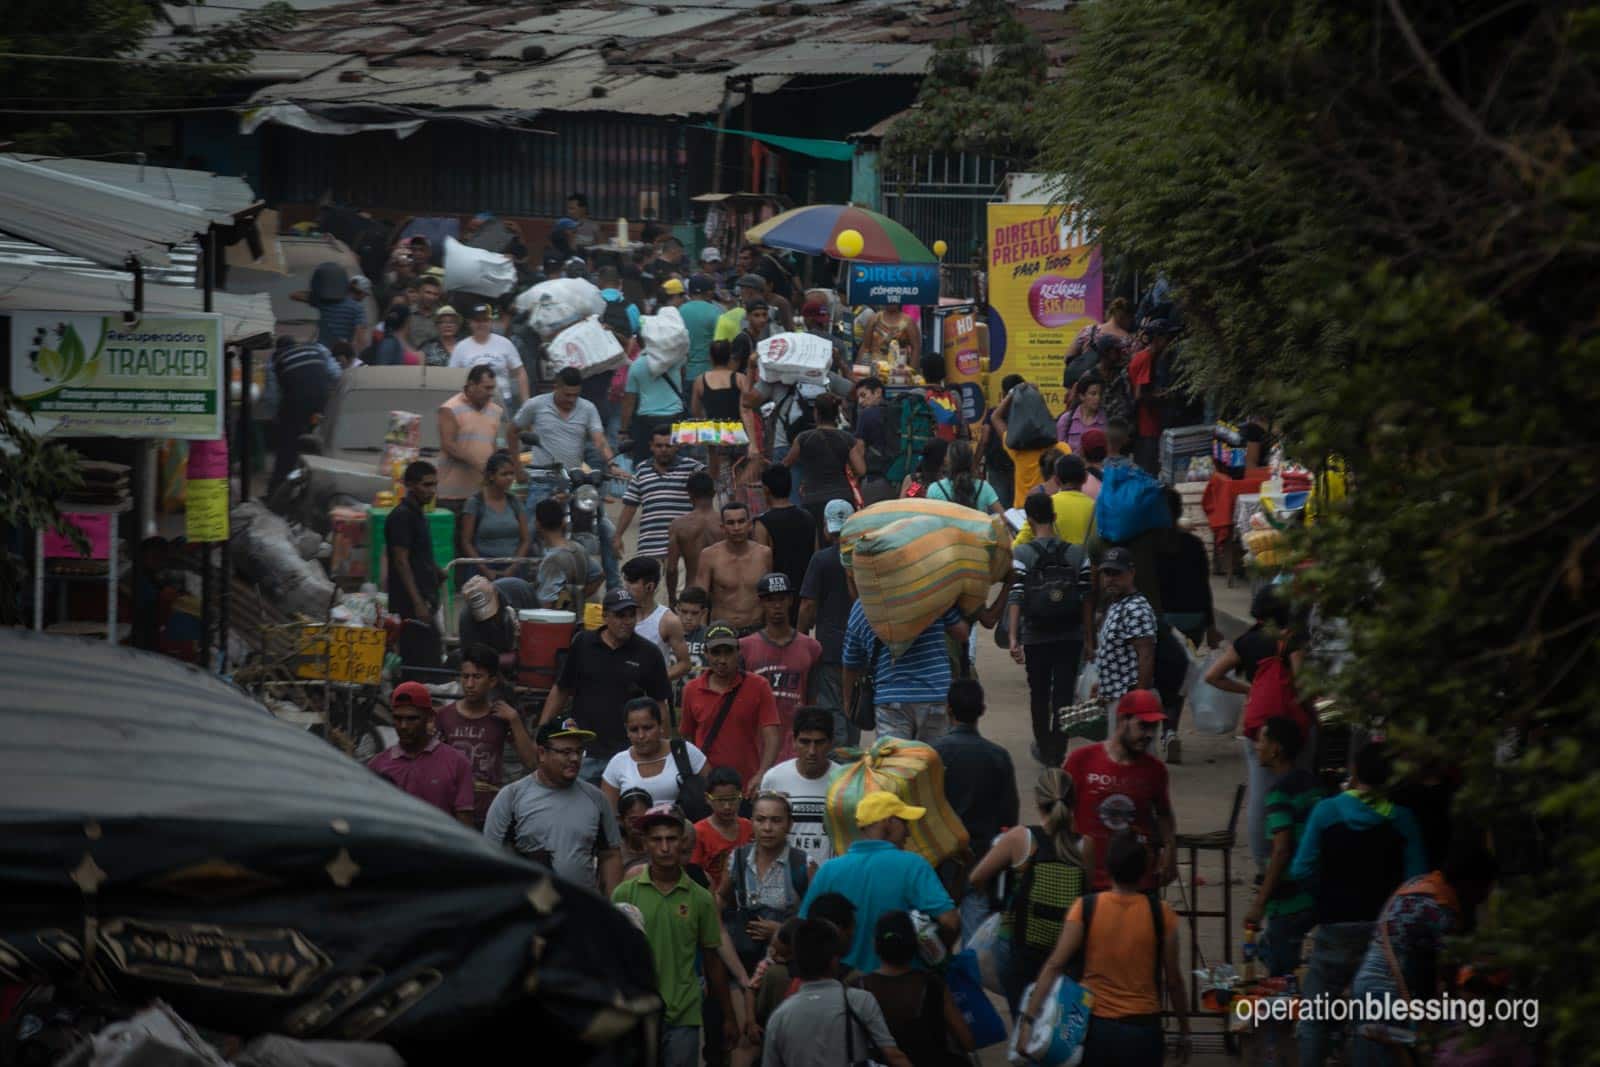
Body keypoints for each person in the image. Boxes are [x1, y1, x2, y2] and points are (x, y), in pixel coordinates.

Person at [1292, 741, 1428, 1067]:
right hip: (1384, 936)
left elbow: (1301, 869)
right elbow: (1418, 881)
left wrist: (1324, 896)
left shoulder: (1327, 811)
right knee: (1376, 1022)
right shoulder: (1402, 819)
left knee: (1315, 1018)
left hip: (1335, 927)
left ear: (1353, 772)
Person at [1018, 832, 1190, 1067]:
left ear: (1107, 867)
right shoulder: (1162, 914)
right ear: (1145, 871)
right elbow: (1174, 981)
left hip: (1095, 1028)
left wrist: (1028, 1020)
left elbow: (1054, 965)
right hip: (1143, 1030)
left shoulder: (1085, 908)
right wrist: (1184, 1029)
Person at [1348, 842, 1498, 1067]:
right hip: (1388, 995)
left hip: (1366, 986)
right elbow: (1451, 979)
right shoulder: (1439, 911)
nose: (1485, 896)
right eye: (1484, 886)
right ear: (1469, 881)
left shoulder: (1418, 885)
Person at [612, 803, 738, 1067]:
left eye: (671, 839)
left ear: (683, 842)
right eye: (657, 840)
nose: (665, 847)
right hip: (638, 1013)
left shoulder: (701, 899)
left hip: (684, 1012)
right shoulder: (625, 893)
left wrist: (728, 1015)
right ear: (645, 843)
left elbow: (712, 960)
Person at [968, 768, 1091, 1012]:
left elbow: (976, 878)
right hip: (1066, 949)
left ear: (1037, 801)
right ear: (1075, 802)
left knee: (1021, 1015)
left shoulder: (1020, 838)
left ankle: (1021, 1041)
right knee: (1052, 1020)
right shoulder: (1085, 845)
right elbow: (1086, 894)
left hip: (1019, 948)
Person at [799, 793, 958, 974]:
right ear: (888, 822)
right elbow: (950, 921)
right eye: (904, 822)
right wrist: (935, 959)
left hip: (844, 987)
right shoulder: (913, 865)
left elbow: (804, 927)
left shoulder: (829, 870)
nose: (908, 832)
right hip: (902, 986)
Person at [1204, 584, 1305, 864]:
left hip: (1256, 728)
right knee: (1293, 789)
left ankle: (1262, 859)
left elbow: (1212, 676)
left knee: (1260, 794)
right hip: (1287, 728)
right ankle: (1287, 853)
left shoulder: (1246, 641)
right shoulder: (1290, 641)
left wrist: (1248, 690)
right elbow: (1302, 685)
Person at [539, 588, 672, 784]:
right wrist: (543, 732)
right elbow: (562, 689)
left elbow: (660, 704)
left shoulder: (649, 653)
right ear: (605, 616)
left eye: (631, 615)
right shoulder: (583, 644)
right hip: (584, 752)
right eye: (619, 615)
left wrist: (664, 752)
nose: (626, 622)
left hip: (628, 754)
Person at [515, 366, 624, 588]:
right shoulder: (536, 405)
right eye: (567, 394)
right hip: (542, 478)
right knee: (528, 528)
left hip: (574, 480)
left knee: (604, 527)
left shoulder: (587, 408)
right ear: (556, 386)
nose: (571, 399)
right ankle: (519, 581)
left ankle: (614, 585)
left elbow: (599, 439)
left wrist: (611, 463)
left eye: (575, 394)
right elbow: (512, 429)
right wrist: (516, 466)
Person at [485, 716, 622, 890]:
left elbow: (610, 854)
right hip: (530, 908)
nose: (574, 758)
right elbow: (489, 855)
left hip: (582, 906)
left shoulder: (596, 798)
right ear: (542, 753)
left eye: (579, 751)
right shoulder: (511, 797)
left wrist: (613, 907)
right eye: (565, 752)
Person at [1009, 492, 1095, 765]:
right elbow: (1086, 598)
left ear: (1030, 520)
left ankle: (1045, 748)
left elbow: (1017, 595)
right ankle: (1058, 751)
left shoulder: (1022, 553)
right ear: (1054, 517)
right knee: (1064, 693)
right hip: (1071, 635)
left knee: (1039, 693)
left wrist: (1014, 637)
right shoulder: (1077, 553)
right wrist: (1089, 638)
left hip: (1036, 635)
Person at [930, 679, 1019, 939]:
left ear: (948, 709)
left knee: (935, 946)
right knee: (975, 950)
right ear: (982, 710)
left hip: (940, 865)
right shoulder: (998, 757)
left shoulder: (933, 755)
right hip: (982, 865)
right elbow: (1009, 819)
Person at [1065, 690, 1177, 891]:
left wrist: (1170, 849)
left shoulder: (1156, 770)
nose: (1149, 735)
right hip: (1089, 879)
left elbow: (1164, 814)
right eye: (1143, 726)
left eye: (1154, 727)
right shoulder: (1081, 760)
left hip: (1136, 882)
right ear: (1122, 720)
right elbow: (1060, 810)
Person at [761, 918, 911, 1067]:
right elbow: (893, 1056)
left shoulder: (780, 1016)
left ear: (797, 960)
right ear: (834, 960)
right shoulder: (859, 1000)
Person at [1242, 717, 1322, 977]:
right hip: (1315, 893)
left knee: (1280, 975)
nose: (1256, 746)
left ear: (1276, 749)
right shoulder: (1312, 784)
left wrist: (1259, 903)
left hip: (1289, 900)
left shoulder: (1278, 793)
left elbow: (1281, 850)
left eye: (1262, 740)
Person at [435, 644, 538, 828]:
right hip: (450, 811)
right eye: (465, 677)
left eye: (477, 677)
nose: (469, 684)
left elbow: (531, 762)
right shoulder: (445, 716)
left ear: (492, 681)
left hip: (489, 812)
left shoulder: (501, 716)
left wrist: (514, 720)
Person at [841, 599, 969, 743]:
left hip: (892, 698)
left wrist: (847, 701)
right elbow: (962, 633)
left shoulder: (863, 605)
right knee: (932, 761)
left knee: (896, 763)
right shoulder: (931, 592)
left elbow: (851, 660)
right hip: (935, 694)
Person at [857, 911, 974, 1067]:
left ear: (875, 945)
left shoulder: (858, 987)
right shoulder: (932, 984)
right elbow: (967, 1041)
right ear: (915, 945)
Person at [680, 624, 781, 797]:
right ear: (706, 654)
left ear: (738, 652)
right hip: (708, 789)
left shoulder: (758, 686)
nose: (722, 659)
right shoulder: (691, 689)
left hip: (747, 786)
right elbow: (687, 739)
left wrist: (762, 773)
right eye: (716, 653)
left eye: (728, 652)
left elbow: (771, 735)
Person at [716, 792, 811, 974]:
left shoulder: (803, 864)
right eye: (761, 820)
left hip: (787, 964)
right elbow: (720, 897)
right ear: (752, 822)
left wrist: (782, 931)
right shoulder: (738, 858)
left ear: (789, 824)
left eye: (776, 821)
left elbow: (817, 920)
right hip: (743, 957)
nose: (767, 828)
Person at [740, 573, 823, 760]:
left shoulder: (811, 648)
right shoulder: (745, 648)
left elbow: (812, 699)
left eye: (781, 599)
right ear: (761, 602)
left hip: (796, 744)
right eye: (770, 600)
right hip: (756, 743)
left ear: (790, 601)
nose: (776, 606)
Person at [367, 681, 474, 825]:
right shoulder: (377, 766)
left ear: (430, 718)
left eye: (412, 719)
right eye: (398, 718)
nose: (404, 726)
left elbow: (465, 825)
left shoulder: (457, 764)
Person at [797, 499, 858, 745]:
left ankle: (840, 769)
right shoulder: (864, 557)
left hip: (831, 650)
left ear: (825, 528)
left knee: (833, 713)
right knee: (854, 711)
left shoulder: (821, 560)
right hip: (860, 651)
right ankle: (852, 764)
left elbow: (808, 605)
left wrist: (800, 638)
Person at [1087, 546, 1157, 741]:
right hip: (1115, 699)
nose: (1110, 579)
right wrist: (1102, 684)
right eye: (1106, 573)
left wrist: (1139, 704)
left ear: (1131, 573)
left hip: (1128, 700)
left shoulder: (1136, 609)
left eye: (1117, 573)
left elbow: (1146, 655)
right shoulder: (1118, 603)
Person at [760, 706, 839, 870]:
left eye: (819, 743)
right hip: (784, 877)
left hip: (829, 877)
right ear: (794, 742)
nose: (812, 751)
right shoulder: (773, 779)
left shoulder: (844, 780)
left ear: (831, 743)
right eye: (805, 742)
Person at [386, 461, 444, 676]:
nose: (431, 491)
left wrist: (436, 571)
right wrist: (417, 602)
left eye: (434, 485)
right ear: (410, 485)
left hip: (425, 597)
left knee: (431, 654)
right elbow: (401, 561)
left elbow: (417, 555)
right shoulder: (402, 516)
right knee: (418, 659)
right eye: (426, 485)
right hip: (409, 603)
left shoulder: (418, 514)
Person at [616, 426, 703, 567]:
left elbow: (711, 479)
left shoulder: (692, 468)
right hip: (649, 548)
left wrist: (712, 450)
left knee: (680, 590)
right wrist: (618, 536)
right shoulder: (642, 470)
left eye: (668, 445)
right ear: (651, 446)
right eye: (659, 445)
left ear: (677, 446)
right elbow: (630, 506)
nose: (663, 449)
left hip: (683, 550)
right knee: (649, 588)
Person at [603, 695, 707, 809]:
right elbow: (610, 815)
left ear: (660, 725)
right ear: (626, 730)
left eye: (647, 728)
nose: (641, 736)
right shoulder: (617, 764)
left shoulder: (685, 752)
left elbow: (714, 794)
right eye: (634, 730)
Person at [784, 393, 864, 540]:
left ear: (816, 413)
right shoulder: (847, 438)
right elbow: (861, 469)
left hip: (813, 498)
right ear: (836, 414)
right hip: (842, 497)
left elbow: (785, 465)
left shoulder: (804, 438)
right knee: (844, 541)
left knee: (817, 542)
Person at [266, 334, 339, 494]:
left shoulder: (275, 358)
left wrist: (276, 418)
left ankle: (276, 490)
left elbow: (272, 396)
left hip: (296, 401)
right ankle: (328, 483)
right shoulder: (318, 348)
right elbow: (337, 374)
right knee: (325, 440)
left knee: (287, 445)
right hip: (322, 399)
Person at [695, 503, 774, 631]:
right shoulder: (709, 556)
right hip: (722, 631)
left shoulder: (764, 554)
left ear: (749, 525)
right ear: (723, 527)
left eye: (741, 521)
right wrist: (701, 635)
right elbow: (700, 600)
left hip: (757, 629)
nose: (736, 527)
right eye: (731, 523)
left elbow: (771, 596)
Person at [435, 365, 503, 514]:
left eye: (493, 388)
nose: (491, 393)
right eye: (487, 388)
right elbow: (449, 445)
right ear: (471, 385)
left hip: (481, 493)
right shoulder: (449, 408)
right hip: (452, 496)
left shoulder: (495, 411)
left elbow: (492, 446)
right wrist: (479, 465)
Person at [622, 556, 693, 685]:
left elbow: (684, 664)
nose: (625, 587)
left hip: (651, 699)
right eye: (625, 580)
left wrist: (653, 680)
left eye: (632, 582)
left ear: (649, 587)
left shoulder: (668, 621)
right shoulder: (617, 614)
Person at [751, 466, 816, 604]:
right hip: (807, 594)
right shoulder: (808, 517)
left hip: (778, 598)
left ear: (766, 489)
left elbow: (761, 567)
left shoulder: (762, 524)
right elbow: (815, 556)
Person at [691, 338, 749, 491]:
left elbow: (695, 410)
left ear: (710, 357)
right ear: (730, 356)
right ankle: (738, 502)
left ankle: (724, 506)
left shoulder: (700, 380)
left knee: (718, 476)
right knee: (739, 473)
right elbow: (747, 408)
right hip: (737, 432)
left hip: (714, 434)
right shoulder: (739, 378)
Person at [1127, 318, 1183, 474]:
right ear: (1158, 338)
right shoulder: (1146, 358)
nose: (1170, 342)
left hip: (1147, 425)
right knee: (1148, 471)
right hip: (1147, 427)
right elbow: (1140, 395)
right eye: (1167, 338)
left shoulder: (1144, 356)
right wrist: (1164, 396)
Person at [528, 497, 603, 609]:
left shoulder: (553, 560)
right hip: (576, 617)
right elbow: (599, 575)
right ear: (563, 522)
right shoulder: (578, 548)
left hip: (557, 623)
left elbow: (546, 604)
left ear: (537, 524)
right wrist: (577, 600)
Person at [450, 303, 528, 411]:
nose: (481, 324)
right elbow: (452, 377)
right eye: (477, 321)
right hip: (471, 403)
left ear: (491, 322)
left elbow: (520, 372)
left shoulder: (505, 343)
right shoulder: (460, 347)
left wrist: (525, 403)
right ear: (470, 323)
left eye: (485, 320)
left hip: (503, 401)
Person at [694, 767, 755, 892]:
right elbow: (695, 874)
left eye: (732, 799)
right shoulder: (698, 832)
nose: (727, 807)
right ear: (707, 798)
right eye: (720, 800)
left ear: (741, 796)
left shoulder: (750, 827)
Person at [1016, 453, 1097, 548]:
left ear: (1056, 480)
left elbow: (1019, 543)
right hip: (1086, 561)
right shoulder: (1096, 507)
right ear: (1085, 478)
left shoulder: (1046, 505)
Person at [666, 471, 720, 608]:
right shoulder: (726, 522)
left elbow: (671, 569)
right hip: (722, 592)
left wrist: (672, 599)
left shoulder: (678, 525)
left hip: (693, 592)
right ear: (714, 493)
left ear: (689, 494)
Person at [622, 360, 685, 465]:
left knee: (644, 463)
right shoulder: (675, 360)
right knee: (677, 462)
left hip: (646, 421)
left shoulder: (637, 365)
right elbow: (682, 377)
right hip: (675, 417)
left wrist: (623, 430)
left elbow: (629, 401)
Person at [925, 438, 1003, 515]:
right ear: (971, 460)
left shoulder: (935, 489)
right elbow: (1004, 517)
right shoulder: (984, 487)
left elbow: (928, 521)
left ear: (947, 461)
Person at [679, 274, 723, 385]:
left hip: (686, 374)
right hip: (709, 374)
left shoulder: (679, 311)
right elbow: (721, 344)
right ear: (709, 293)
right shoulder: (716, 312)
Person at [1058, 374, 1109, 452]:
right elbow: (1060, 450)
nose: (1097, 398)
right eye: (1093, 394)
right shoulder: (1066, 420)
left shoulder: (1106, 420)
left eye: (1100, 394)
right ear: (1082, 396)